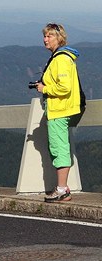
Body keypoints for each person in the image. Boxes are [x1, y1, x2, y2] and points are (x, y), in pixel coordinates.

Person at [33, 23, 85, 203]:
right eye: (45, 36)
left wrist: (45, 88)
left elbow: (64, 87)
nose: (45, 39)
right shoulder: (60, 57)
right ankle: (63, 188)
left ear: (59, 38)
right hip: (59, 109)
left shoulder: (61, 59)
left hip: (59, 110)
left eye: (49, 36)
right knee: (59, 147)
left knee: (59, 149)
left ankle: (62, 189)